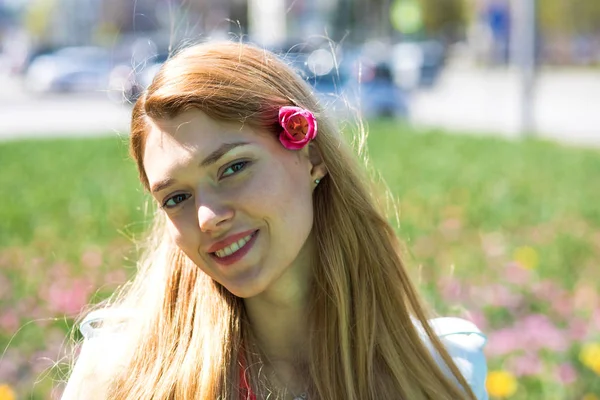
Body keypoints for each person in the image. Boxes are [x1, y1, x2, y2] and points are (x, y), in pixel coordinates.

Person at [62, 40, 488, 400]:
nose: (208, 218)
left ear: (312, 154)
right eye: (176, 198)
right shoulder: (121, 378)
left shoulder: (438, 375)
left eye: (232, 168)